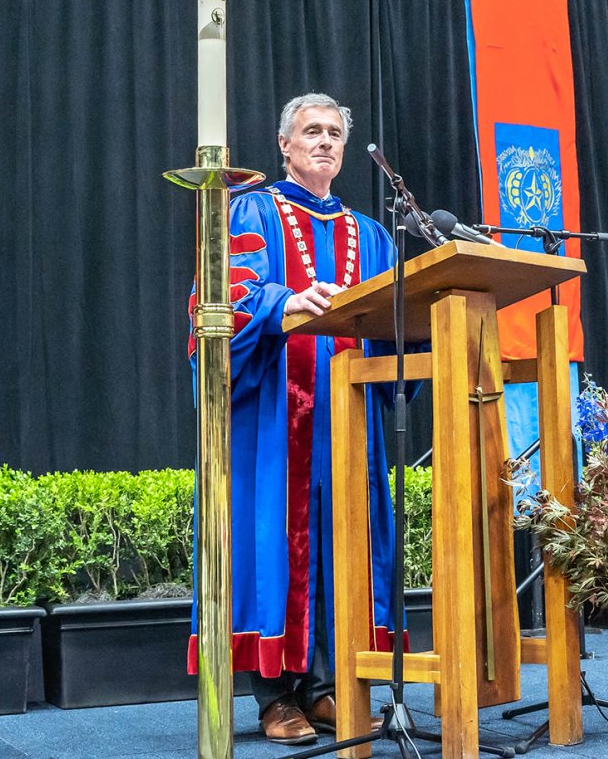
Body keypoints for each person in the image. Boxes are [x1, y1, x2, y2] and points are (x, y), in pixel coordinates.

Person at [188, 93, 404, 745]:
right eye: (311, 130)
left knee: (347, 546)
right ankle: (275, 697)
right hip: (275, 424)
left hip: (348, 424)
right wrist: (285, 303)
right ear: (284, 144)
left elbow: (399, 328)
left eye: (335, 132)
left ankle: (330, 684)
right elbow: (222, 303)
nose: (325, 141)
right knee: (273, 544)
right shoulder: (251, 210)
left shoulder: (373, 236)